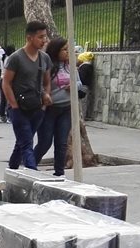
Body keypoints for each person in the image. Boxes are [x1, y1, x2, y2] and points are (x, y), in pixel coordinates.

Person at [2, 22, 52, 170]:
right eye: (40, 37)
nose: (44, 40)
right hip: (19, 108)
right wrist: (14, 106)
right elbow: (6, 83)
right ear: (29, 38)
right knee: (27, 144)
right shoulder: (16, 58)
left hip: (37, 108)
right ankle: (32, 173)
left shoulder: (45, 58)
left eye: (45, 36)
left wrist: (46, 97)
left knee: (22, 142)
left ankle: (12, 170)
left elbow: (47, 82)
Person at [35, 36, 84, 177]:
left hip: (66, 108)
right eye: (64, 50)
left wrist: (74, 85)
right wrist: (46, 95)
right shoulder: (47, 66)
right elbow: (40, 85)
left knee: (62, 142)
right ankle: (30, 165)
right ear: (56, 51)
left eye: (69, 49)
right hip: (50, 109)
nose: (68, 52)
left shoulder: (71, 66)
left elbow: (80, 82)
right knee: (45, 142)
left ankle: (59, 173)